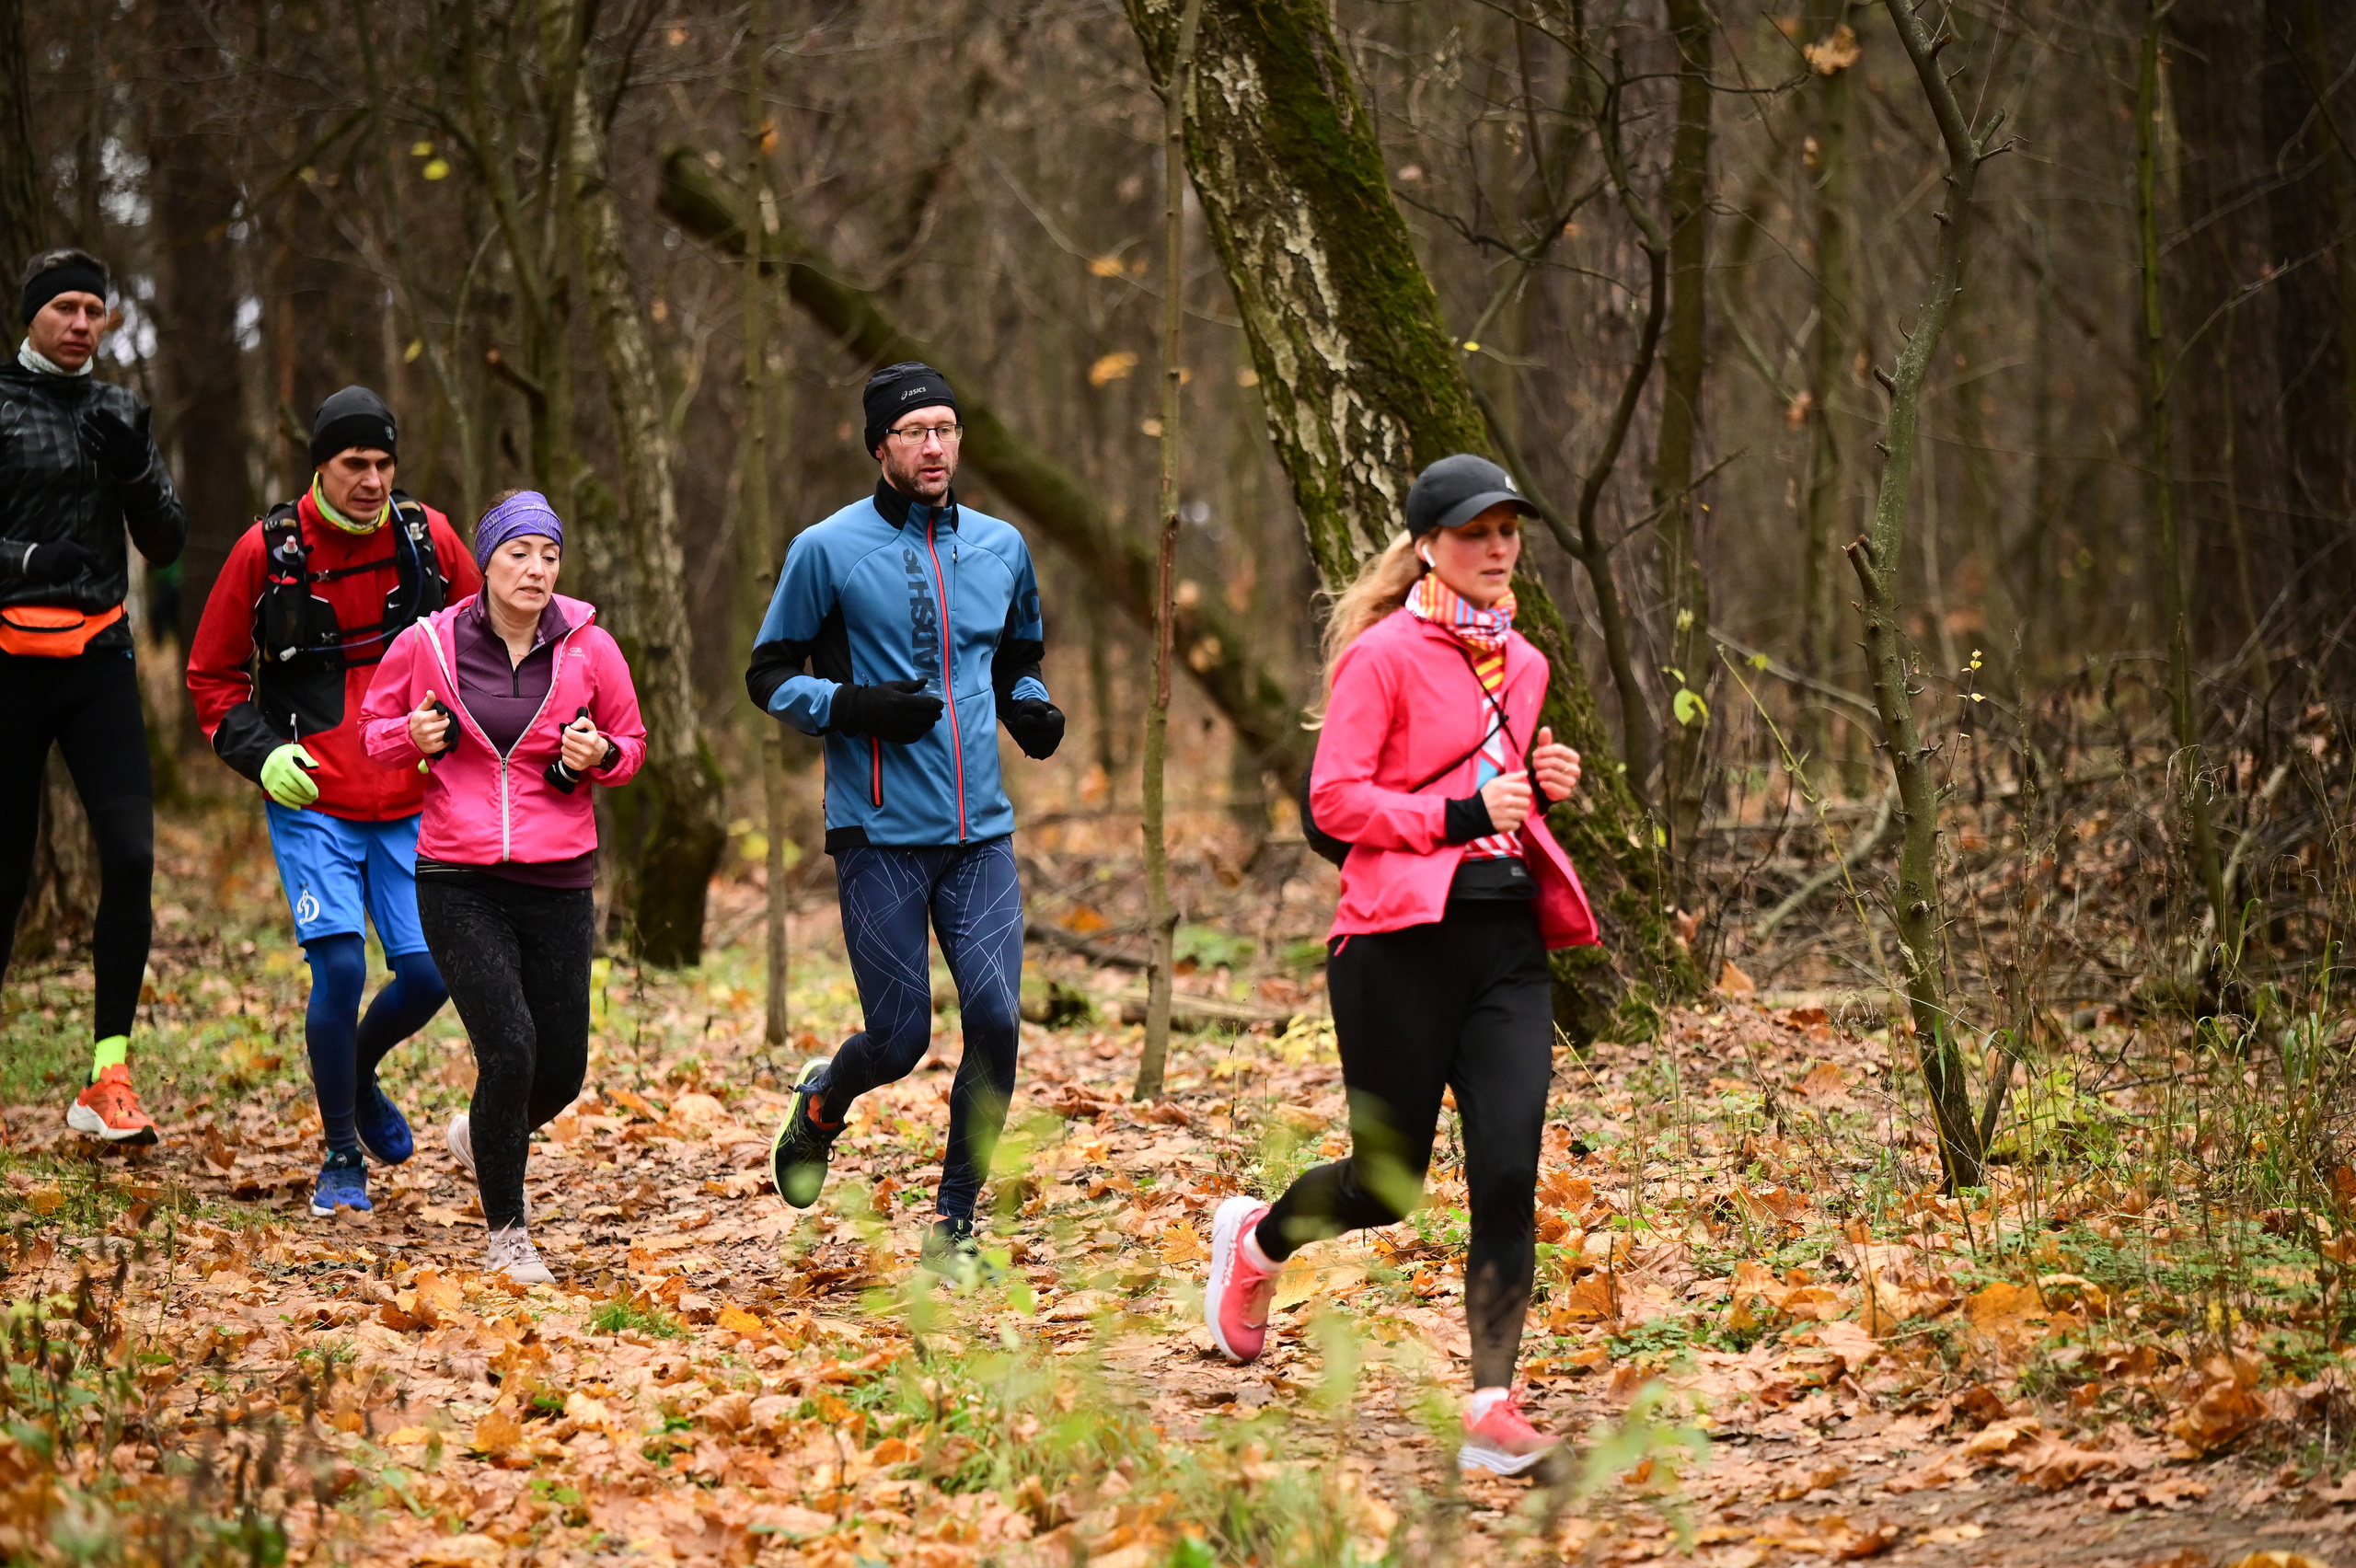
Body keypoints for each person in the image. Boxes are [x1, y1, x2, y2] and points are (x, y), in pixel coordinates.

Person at [1199, 455, 1599, 1477]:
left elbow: (1497, 800)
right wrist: (1461, 814)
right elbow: (1334, 801)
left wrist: (1541, 791)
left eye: (1510, 530)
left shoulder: (1530, 662)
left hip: (1507, 947)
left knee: (1508, 1171)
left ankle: (1491, 1408)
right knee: (1386, 1186)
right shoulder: (1378, 658)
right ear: (1428, 545)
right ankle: (1257, 1245)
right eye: (1476, 532)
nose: (1499, 548)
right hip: (1396, 947)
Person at [748, 361, 1065, 1284]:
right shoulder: (827, 550)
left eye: (947, 429)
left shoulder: (1002, 546)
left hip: (980, 838)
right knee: (898, 1041)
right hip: (879, 831)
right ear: (879, 446)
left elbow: (1018, 658)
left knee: (997, 1021)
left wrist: (1031, 706)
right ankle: (822, 1103)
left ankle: (953, 1229)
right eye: (915, 431)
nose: (934, 446)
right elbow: (767, 676)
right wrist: (852, 706)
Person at [188, 387, 481, 1214]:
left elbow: (482, 632)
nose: (373, 480)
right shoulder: (266, 551)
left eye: (385, 463)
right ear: (321, 463)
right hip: (313, 792)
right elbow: (211, 677)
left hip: (413, 790)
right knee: (342, 965)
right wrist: (263, 753)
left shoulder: (427, 538)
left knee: (427, 977)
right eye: (356, 464)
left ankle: (353, 1072)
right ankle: (340, 1152)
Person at [362, 490, 644, 1284]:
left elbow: (632, 743)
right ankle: (508, 1236)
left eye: (549, 554)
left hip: (559, 880)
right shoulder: (431, 643)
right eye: (519, 552)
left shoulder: (591, 648)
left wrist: (601, 756)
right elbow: (373, 730)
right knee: (510, 1048)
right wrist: (407, 736)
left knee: (562, 1072)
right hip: (459, 878)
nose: (536, 568)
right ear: (486, 563)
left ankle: (482, 1133)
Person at [0, 248, 185, 1143]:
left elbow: (168, 539)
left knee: (132, 857)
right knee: (7, 875)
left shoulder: (118, 411)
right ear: (33, 313)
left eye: (94, 310)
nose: (81, 323)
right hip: (6, 659)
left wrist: (137, 472)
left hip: (99, 661)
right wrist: (29, 562)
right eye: (64, 307)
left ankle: (108, 1074)